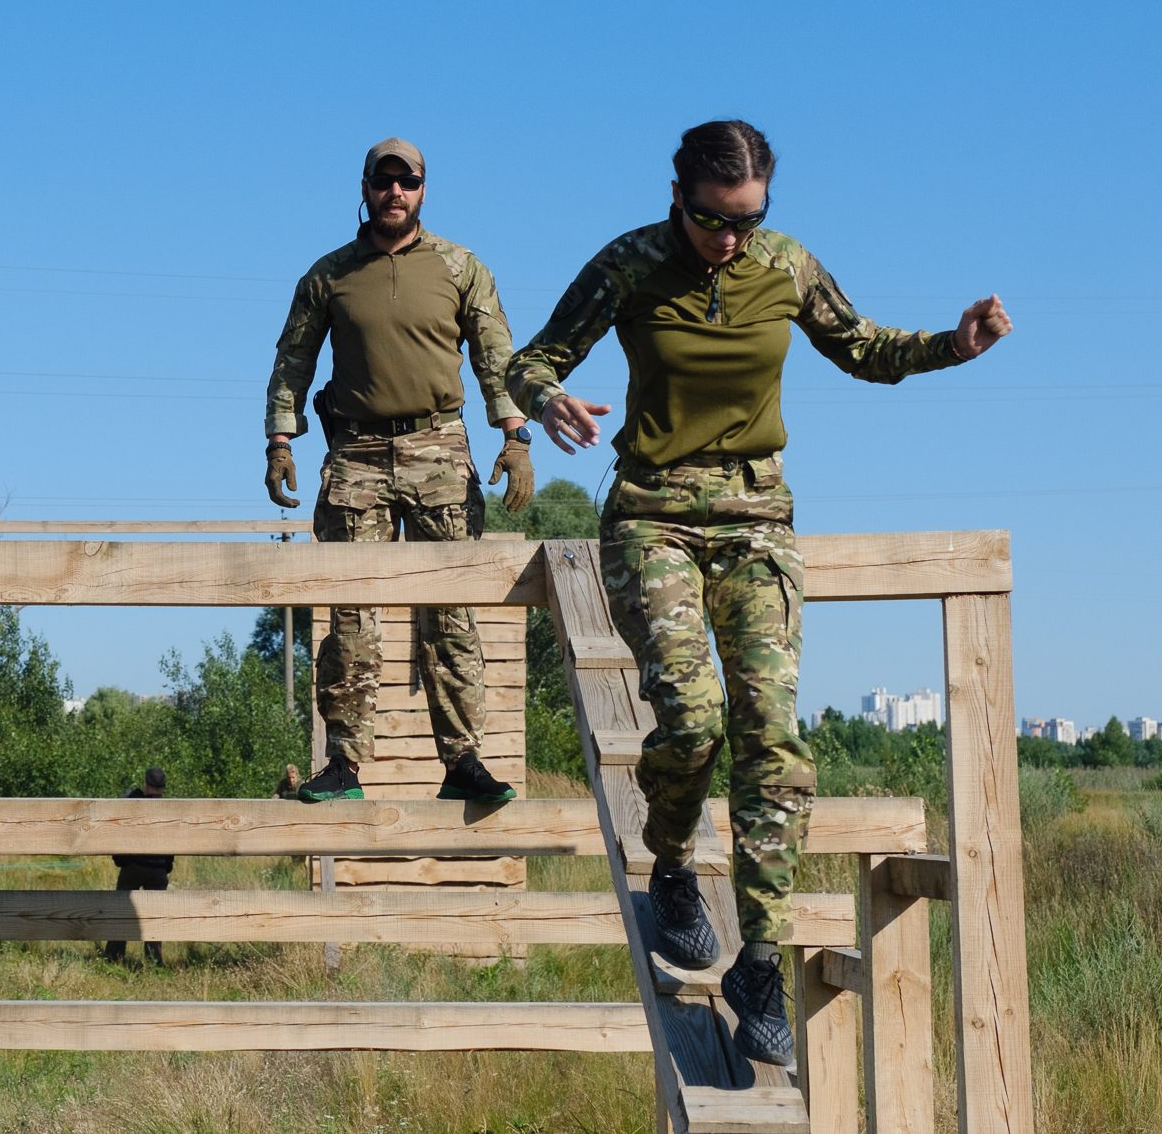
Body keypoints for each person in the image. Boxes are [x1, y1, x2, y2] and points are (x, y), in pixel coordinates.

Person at [505, 119, 1012, 1066]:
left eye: (748, 219)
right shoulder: (630, 264)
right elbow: (527, 360)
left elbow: (861, 345)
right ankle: (670, 870)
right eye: (712, 219)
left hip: (755, 522)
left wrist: (954, 343)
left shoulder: (786, 265)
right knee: (692, 717)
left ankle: (761, 961)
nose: (728, 239)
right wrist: (547, 401)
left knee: (772, 733)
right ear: (679, 194)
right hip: (651, 514)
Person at [264, 139, 533, 805]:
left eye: (406, 182)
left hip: (438, 448)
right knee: (352, 616)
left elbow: (496, 353)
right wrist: (279, 440)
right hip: (355, 456)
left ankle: (464, 762)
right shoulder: (329, 275)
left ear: (422, 189)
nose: (395, 193)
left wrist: (516, 434)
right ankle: (345, 764)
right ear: (364, 187)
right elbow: (293, 359)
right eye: (383, 182)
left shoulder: (459, 266)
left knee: (450, 613)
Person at [104, 767, 172, 966]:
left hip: (133, 866)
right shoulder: (169, 808)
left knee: (121, 912)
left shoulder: (133, 803)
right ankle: (154, 960)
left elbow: (116, 817)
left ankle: (113, 957)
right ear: (164, 787)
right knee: (154, 916)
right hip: (158, 868)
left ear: (146, 784)